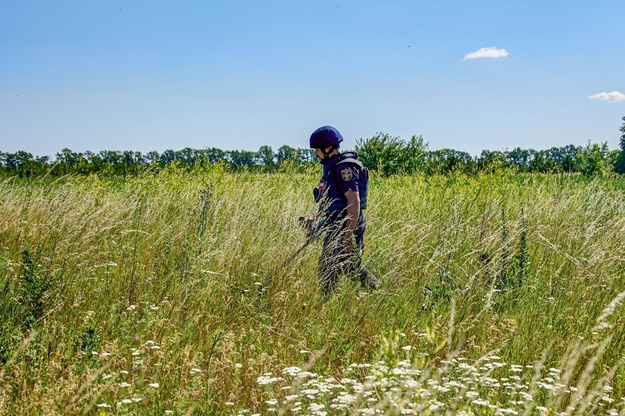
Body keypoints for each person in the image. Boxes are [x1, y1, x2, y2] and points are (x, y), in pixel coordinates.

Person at [308, 125, 379, 294]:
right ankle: (373, 291)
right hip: (336, 226)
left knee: (338, 267)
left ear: (327, 148)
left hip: (346, 226)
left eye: (317, 150)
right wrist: (315, 217)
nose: (315, 154)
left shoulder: (344, 169)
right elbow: (329, 199)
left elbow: (354, 202)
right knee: (342, 267)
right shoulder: (331, 168)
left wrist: (348, 236)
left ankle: (375, 291)